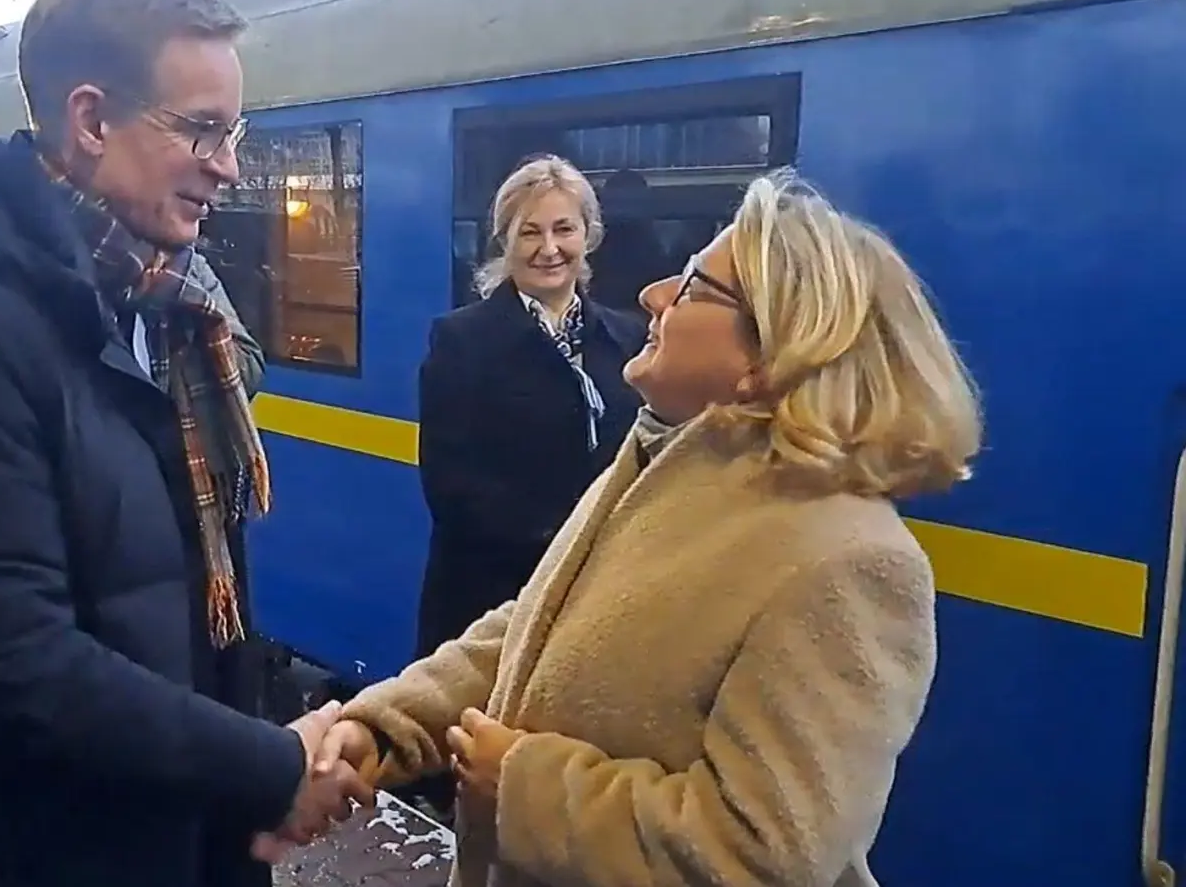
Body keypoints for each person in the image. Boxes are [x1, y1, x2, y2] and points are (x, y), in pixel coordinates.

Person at [320, 169, 984, 887]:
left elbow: (761, 853)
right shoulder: (664, 468)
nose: (652, 294)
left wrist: (524, 783)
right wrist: (380, 728)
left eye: (695, 286)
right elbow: (537, 625)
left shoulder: (848, 563)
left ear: (771, 357)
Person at [0, 0, 372, 885]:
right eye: (203, 131)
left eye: (235, 134)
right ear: (91, 119)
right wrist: (271, 766)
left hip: (161, 833)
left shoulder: (160, 312)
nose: (231, 168)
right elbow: (5, 659)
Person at [410, 155, 643, 816]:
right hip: (494, 602)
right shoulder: (462, 341)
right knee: (490, 792)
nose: (549, 249)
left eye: (564, 230)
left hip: (599, 603)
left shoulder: (626, 337)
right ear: (504, 241)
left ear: (588, 236)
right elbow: (451, 486)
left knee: (567, 795)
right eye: (529, 233)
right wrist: (565, 548)